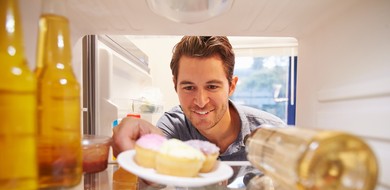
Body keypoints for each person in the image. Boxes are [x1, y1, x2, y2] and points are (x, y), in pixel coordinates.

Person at [112, 36, 284, 161]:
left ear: (231, 86)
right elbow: (157, 168)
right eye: (189, 87)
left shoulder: (271, 132)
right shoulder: (173, 126)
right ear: (175, 85)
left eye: (212, 87)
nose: (201, 102)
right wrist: (140, 140)